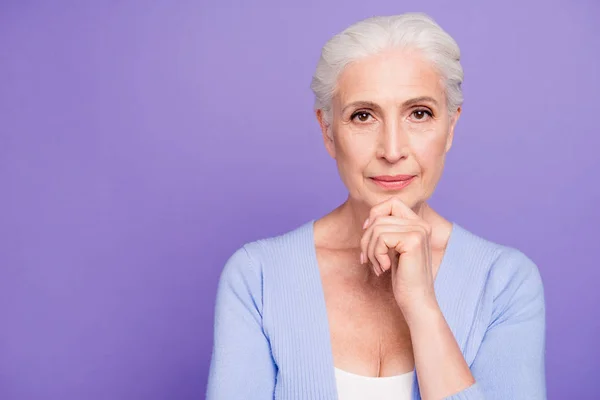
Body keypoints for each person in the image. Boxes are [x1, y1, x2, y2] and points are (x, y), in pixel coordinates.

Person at [206, 12, 546, 400]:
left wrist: (422, 306)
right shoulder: (258, 278)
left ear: (450, 127)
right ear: (328, 131)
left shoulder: (504, 283)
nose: (393, 150)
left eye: (419, 113)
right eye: (363, 116)